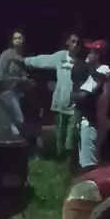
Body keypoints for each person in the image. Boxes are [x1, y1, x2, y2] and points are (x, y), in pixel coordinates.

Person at [24, 33, 83, 162]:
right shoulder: (61, 57)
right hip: (60, 102)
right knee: (60, 134)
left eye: (78, 43)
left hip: (74, 104)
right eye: (73, 42)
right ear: (67, 42)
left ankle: (69, 161)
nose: (75, 45)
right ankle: (61, 161)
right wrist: (25, 61)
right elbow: (43, 60)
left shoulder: (82, 62)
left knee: (71, 135)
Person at [72, 40, 110, 172]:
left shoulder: (102, 70)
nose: (88, 54)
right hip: (90, 120)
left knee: (89, 164)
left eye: (93, 52)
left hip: (92, 120)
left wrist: (73, 95)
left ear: (99, 55)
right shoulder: (94, 72)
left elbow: (84, 95)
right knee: (85, 158)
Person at [0, 30, 32, 128]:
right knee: (19, 119)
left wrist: (26, 79)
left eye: (19, 38)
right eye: (15, 38)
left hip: (18, 92)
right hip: (6, 92)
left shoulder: (22, 56)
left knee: (13, 121)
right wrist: (21, 79)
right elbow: (1, 76)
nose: (17, 40)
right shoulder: (6, 55)